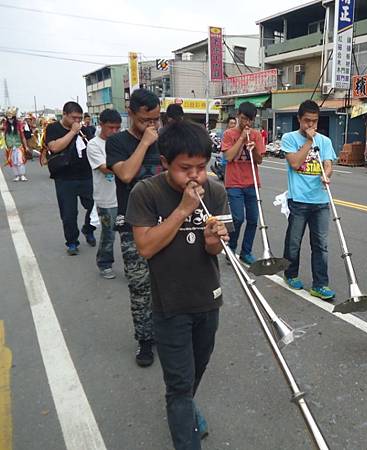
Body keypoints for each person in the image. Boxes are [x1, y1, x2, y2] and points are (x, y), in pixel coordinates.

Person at [126, 120, 231, 449]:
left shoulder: (215, 192)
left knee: (194, 374)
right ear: (165, 163)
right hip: (169, 305)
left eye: (202, 167)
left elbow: (213, 250)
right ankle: (184, 419)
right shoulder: (147, 193)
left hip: (207, 300)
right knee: (179, 385)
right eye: (186, 168)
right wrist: (183, 210)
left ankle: (184, 407)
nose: (196, 176)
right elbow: (146, 247)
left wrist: (215, 240)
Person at [106, 88, 162, 367]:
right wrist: (145, 143)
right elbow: (126, 174)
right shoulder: (116, 142)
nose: (152, 126)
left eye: (156, 120)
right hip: (133, 225)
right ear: (131, 113)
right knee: (140, 286)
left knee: (168, 284)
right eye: (145, 120)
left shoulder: (164, 140)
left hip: (166, 224)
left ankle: (167, 334)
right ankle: (145, 341)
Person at [282, 100, 336, 301]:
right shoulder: (289, 138)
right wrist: (309, 142)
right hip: (298, 199)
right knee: (294, 241)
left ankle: (320, 284)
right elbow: (295, 163)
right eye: (306, 121)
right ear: (299, 119)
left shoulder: (326, 141)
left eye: (314, 121)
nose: (310, 126)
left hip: (320, 201)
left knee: (321, 244)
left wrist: (327, 174)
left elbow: (328, 164)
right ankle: (290, 273)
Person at [45, 102, 96, 255]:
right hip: (64, 177)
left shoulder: (84, 129)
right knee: (69, 213)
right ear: (65, 114)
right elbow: (54, 147)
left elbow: (92, 147)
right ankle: (72, 242)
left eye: (79, 118)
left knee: (94, 206)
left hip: (86, 175)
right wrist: (72, 132)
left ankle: (88, 229)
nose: (77, 121)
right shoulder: (53, 128)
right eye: (74, 117)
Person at [221, 101, 266, 264]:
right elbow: (228, 157)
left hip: (252, 183)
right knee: (238, 218)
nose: (246, 123)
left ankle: (246, 251)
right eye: (243, 118)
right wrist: (241, 139)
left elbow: (259, 160)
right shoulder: (229, 134)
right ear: (238, 115)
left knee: (253, 219)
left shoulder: (256, 135)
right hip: (234, 183)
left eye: (249, 120)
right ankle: (231, 247)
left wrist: (253, 150)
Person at [86, 109, 122, 280]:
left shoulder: (121, 142)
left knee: (130, 234)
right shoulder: (94, 145)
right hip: (106, 199)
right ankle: (104, 263)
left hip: (124, 195)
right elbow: (104, 168)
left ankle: (133, 266)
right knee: (109, 233)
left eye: (117, 128)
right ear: (101, 125)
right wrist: (127, 166)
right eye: (111, 128)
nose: (114, 131)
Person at [2, 108, 29, 181]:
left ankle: (22, 175)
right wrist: (5, 145)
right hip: (10, 146)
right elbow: (4, 136)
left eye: (10, 116)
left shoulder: (18, 124)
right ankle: (16, 175)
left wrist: (26, 146)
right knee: (13, 161)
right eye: (8, 117)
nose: (9, 118)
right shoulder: (5, 125)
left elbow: (22, 136)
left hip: (18, 145)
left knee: (20, 160)